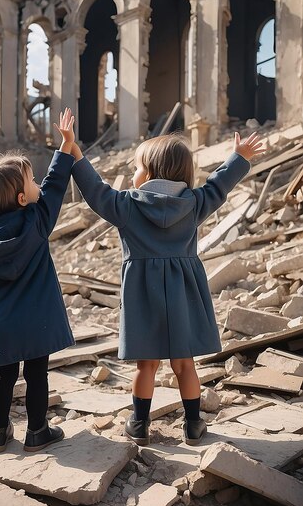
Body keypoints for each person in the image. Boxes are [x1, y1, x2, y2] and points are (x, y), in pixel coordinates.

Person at [69, 130, 263, 446]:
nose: (133, 173)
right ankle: (193, 424)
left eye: (136, 167)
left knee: (146, 364)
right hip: (183, 292)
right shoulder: (194, 203)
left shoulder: (127, 206)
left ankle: (140, 424)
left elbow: (95, 191)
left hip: (142, 295)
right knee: (184, 363)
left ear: (151, 172)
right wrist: (239, 157)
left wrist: (76, 154)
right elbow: (219, 185)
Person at [0, 108, 76, 453]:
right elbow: (56, 186)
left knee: (5, 376)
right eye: (31, 180)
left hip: (3, 323)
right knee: (37, 376)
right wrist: (65, 147)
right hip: (38, 323)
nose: (38, 182)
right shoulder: (37, 222)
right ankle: (37, 432)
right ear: (22, 199)